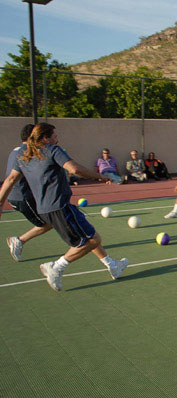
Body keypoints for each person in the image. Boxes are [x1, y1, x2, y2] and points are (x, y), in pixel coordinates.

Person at [0, 123, 128, 291]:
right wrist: (101, 177)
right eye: (54, 136)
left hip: (46, 209)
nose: (57, 139)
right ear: (45, 138)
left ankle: (112, 265)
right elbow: (74, 169)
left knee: (89, 234)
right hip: (59, 207)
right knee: (92, 240)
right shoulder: (53, 150)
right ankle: (56, 267)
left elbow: (10, 180)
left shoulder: (25, 156)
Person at [4, 124, 53, 262]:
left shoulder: (15, 151)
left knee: (51, 218)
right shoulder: (28, 151)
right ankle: (19, 240)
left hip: (17, 195)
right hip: (22, 196)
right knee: (49, 223)